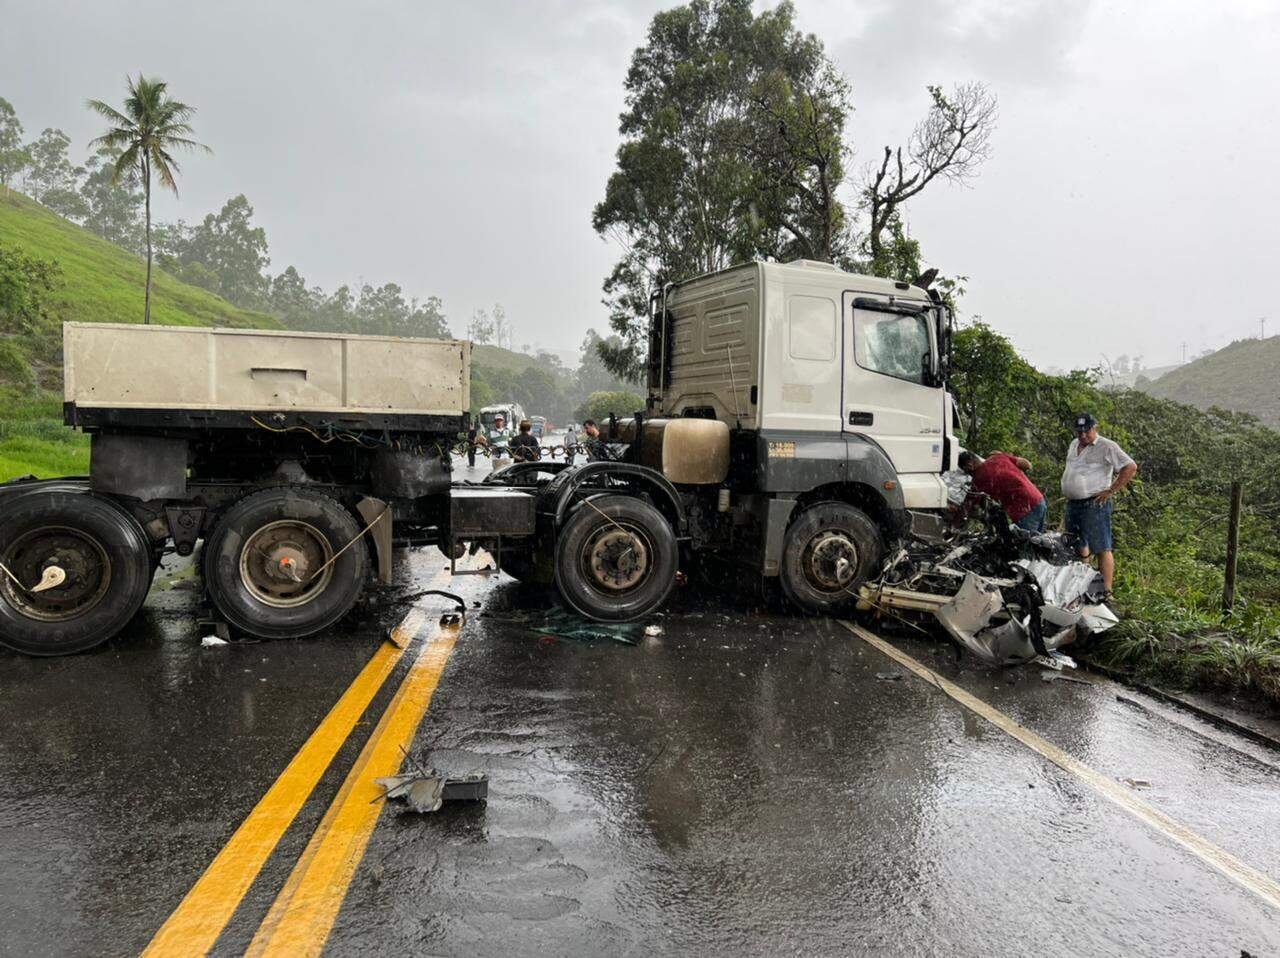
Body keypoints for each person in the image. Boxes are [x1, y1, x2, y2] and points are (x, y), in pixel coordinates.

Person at [1061, 412, 1137, 596]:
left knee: (1102, 546)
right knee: (1076, 543)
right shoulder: (1073, 444)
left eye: (1087, 431)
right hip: (1074, 503)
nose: (1083, 435)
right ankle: (1080, 585)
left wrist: (1111, 490)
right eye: (1079, 432)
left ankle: (1106, 591)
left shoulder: (1106, 446)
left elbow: (1130, 466)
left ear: (1095, 428)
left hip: (1094, 503)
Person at [958, 450, 1047, 532]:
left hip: (1025, 510)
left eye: (966, 471)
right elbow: (1027, 465)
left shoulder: (979, 478)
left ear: (969, 465)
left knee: (1026, 546)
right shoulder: (998, 457)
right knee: (1039, 544)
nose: (969, 475)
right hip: (1039, 500)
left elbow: (967, 505)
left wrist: (955, 522)